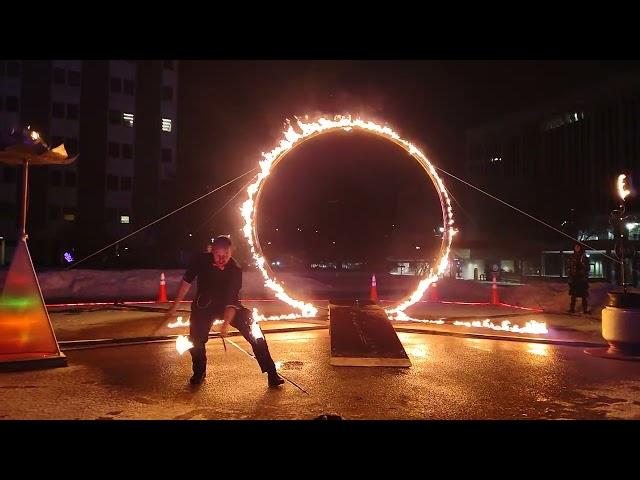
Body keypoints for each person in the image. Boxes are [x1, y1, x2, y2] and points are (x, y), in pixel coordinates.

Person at [166, 235, 284, 387]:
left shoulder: (235, 269)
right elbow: (186, 282)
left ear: (231, 253)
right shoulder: (201, 260)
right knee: (196, 339)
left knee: (254, 330)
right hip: (204, 305)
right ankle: (199, 371)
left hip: (228, 306)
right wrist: (174, 306)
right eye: (218, 256)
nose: (222, 260)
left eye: (226, 256)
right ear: (211, 251)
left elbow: (231, 302)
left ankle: (272, 373)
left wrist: (226, 323)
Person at [566, 244, 590, 314]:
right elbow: (569, 267)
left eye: (578, 247)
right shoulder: (572, 257)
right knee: (573, 295)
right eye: (576, 247)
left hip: (581, 279)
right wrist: (570, 277)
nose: (577, 248)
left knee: (583, 295)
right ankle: (572, 309)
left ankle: (585, 310)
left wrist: (583, 271)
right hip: (574, 279)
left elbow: (587, 268)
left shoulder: (584, 257)